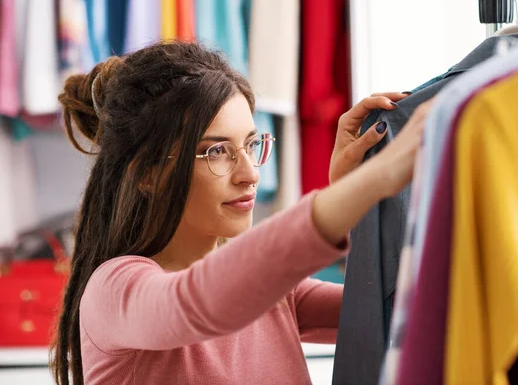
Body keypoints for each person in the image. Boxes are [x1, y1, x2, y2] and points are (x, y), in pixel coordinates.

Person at [49, 41, 430, 385]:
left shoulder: (275, 293)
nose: (250, 174)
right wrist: (367, 184)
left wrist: (358, 195)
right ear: (148, 174)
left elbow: (400, 303)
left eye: (251, 144)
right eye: (217, 151)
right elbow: (199, 303)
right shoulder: (113, 291)